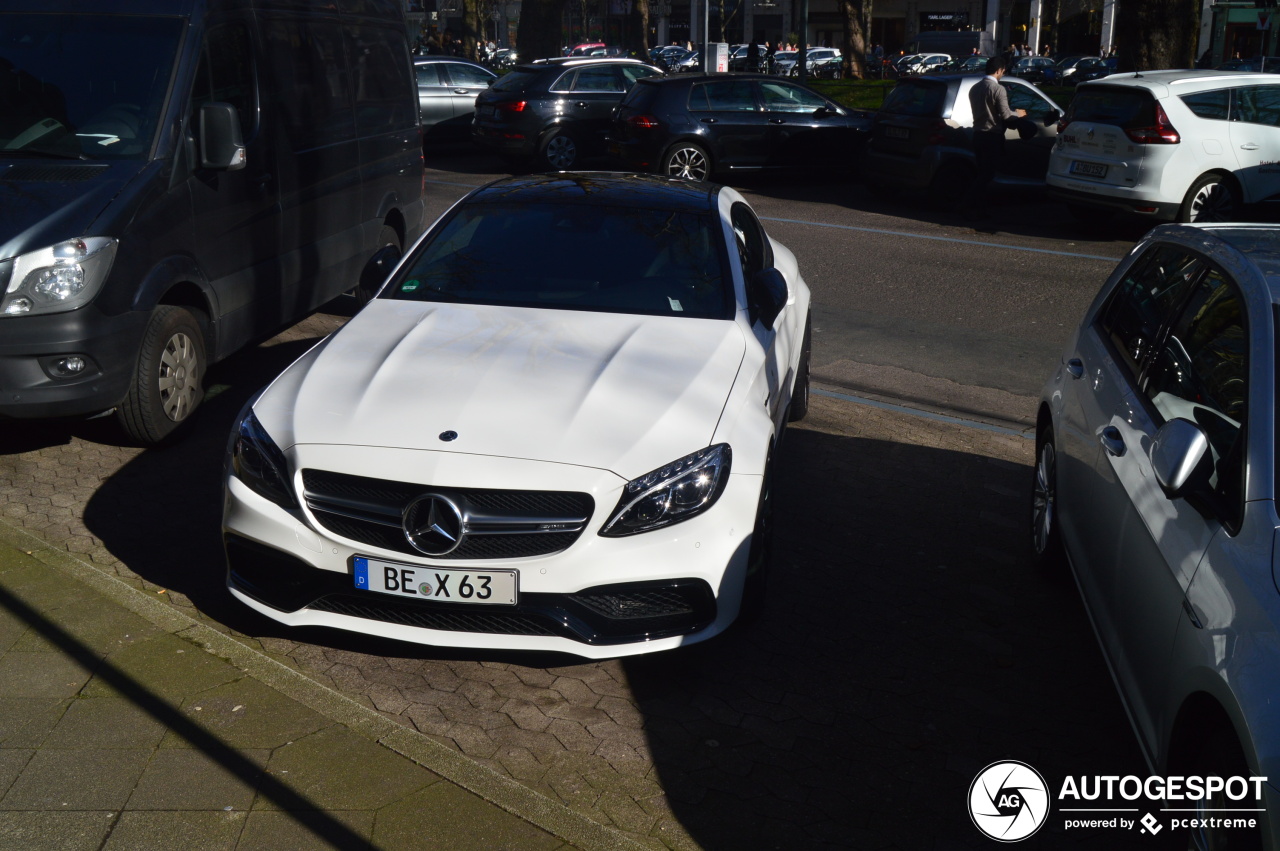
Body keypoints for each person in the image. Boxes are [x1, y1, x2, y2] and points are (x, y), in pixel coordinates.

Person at [965, 56, 1026, 219]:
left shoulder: (975, 88)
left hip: (977, 133)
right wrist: (1018, 114)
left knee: (982, 172)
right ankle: (968, 204)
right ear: (999, 70)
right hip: (991, 135)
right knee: (987, 174)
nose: (1002, 74)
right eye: (1003, 71)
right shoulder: (998, 89)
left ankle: (979, 208)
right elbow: (1006, 115)